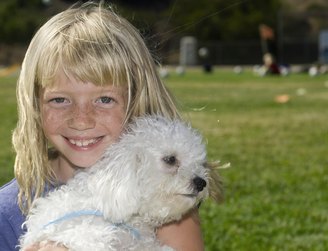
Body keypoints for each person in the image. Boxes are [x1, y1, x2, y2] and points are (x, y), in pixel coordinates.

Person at [0, 2, 204, 251]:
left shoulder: (167, 207)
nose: (82, 119)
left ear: (135, 100)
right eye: (60, 99)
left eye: (105, 99)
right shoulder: (7, 214)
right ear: (35, 105)